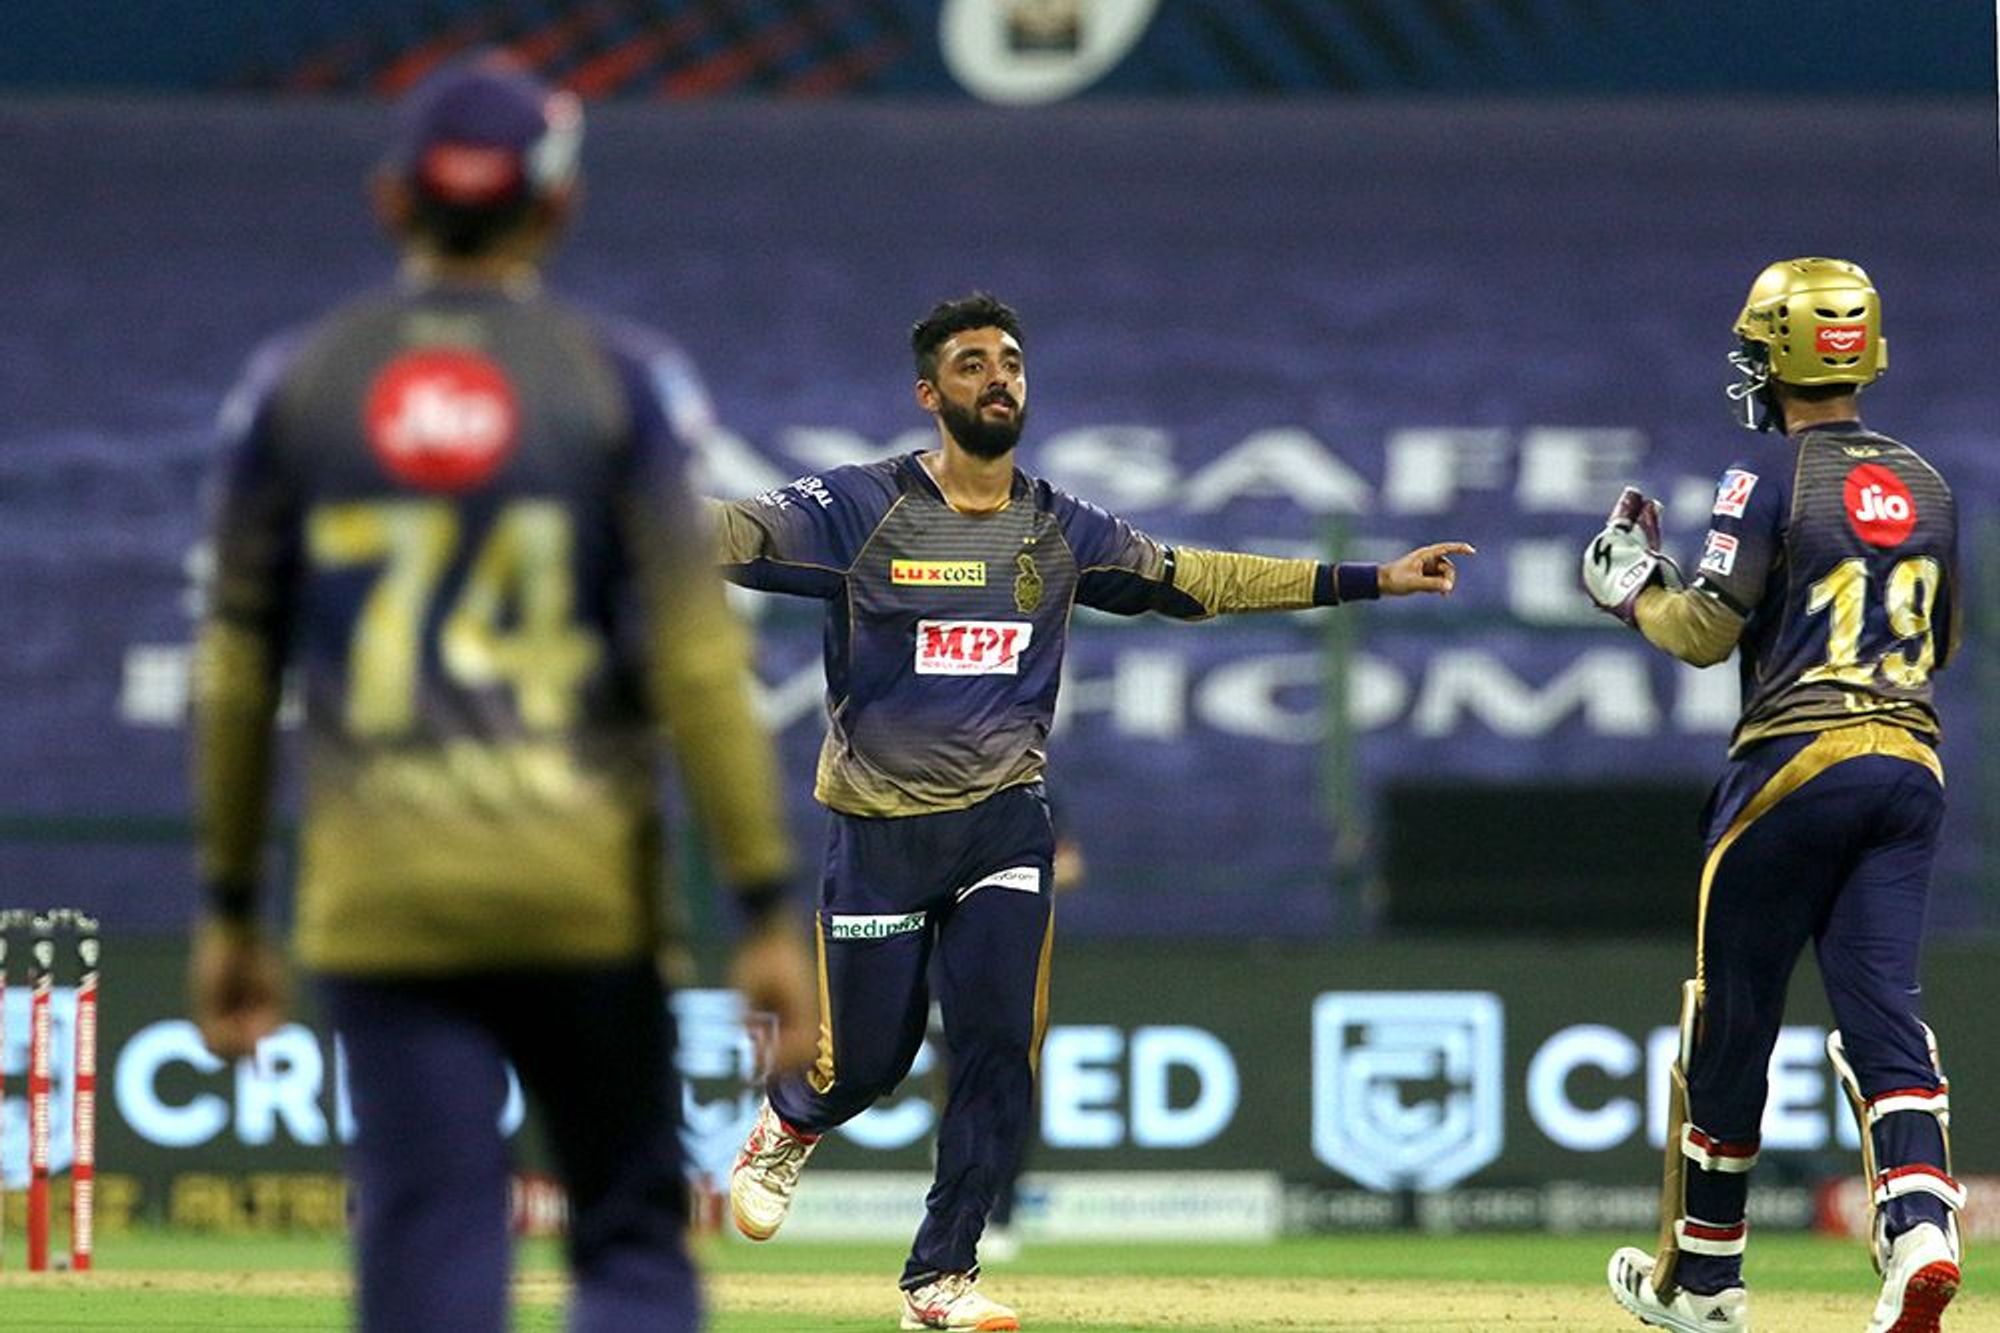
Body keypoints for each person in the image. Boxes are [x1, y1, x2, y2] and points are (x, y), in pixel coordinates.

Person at [185, 59, 816, 1333]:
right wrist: (760, 901)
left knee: (428, 1230)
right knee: (630, 1238)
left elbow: (238, 668)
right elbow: (699, 663)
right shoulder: (615, 382)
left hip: (383, 896)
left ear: (389, 201)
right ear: (555, 209)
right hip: (575, 887)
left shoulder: (298, 386)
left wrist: (230, 905)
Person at [716, 292, 1473, 1331]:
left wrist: (1366, 580)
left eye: (1012, 361)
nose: (999, 377)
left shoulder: (1057, 528)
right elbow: (737, 528)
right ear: (929, 395)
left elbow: (1192, 576)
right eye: (973, 364)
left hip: (1000, 825)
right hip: (881, 834)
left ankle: (939, 1278)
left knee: (995, 1047)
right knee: (871, 1065)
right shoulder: (860, 509)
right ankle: (790, 1123)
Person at [1586, 258, 1962, 1333]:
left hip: (1791, 768)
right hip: (1909, 765)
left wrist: (1631, 588)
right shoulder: (1929, 484)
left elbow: (1704, 633)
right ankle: (1922, 1230)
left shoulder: (1764, 478)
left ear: (1775, 356)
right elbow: (1938, 641)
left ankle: (1703, 1280)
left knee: (1732, 1022)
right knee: (1883, 1013)